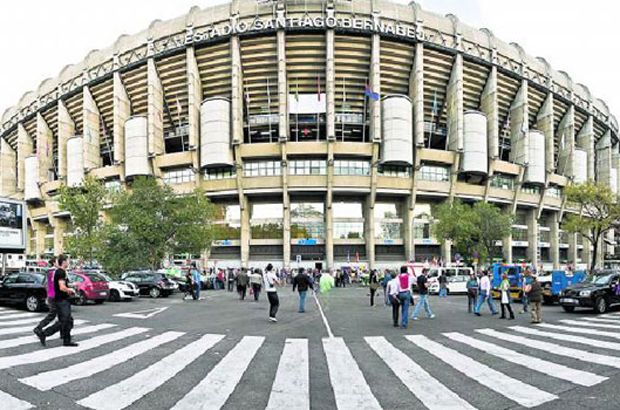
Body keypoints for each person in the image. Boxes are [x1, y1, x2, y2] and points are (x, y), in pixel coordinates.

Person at [40, 254, 77, 347]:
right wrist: (70, 290)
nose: (69, 262)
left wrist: (71, 286)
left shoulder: (59, 271)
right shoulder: (61, 272)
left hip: (59, 299)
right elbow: (62, 287)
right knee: (64, 321)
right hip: (62, 300)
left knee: (67, 321)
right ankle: (45, 333)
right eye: (68, 261)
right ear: (64, 262)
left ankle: (66, 340)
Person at [33, 256, 58, 343]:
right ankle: (39, 329)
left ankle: (65, 335)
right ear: (54, 263)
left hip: (51, 295)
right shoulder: (55, 271)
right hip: (55, 297)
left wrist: (48, 294)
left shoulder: (48, 272)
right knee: (56, 315)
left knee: (57, 316)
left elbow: (44, 284)